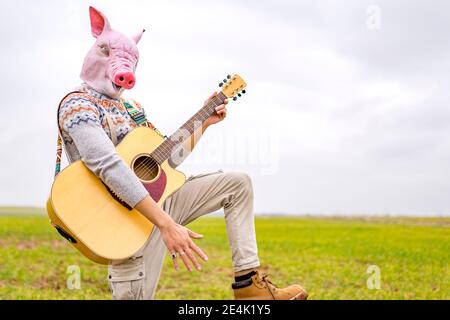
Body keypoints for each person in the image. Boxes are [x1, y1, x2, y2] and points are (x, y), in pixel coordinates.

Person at [57, 6, 308, 300]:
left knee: (238, 184)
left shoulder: (132, 108)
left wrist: (204, 122)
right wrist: (166, 224)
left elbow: (164, 162)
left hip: (159, 205)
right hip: (120, 219)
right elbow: (108, 166)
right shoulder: (77, 104)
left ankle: (249, 285)